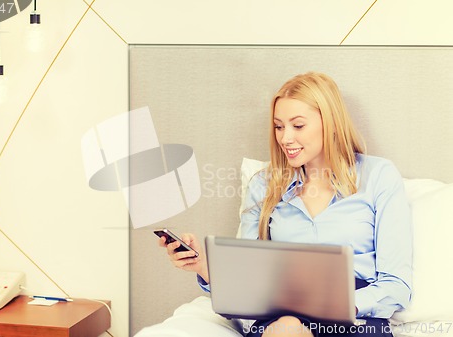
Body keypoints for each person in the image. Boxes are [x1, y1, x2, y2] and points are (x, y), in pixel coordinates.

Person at [158, 72, 412, 337]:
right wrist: (203, 267)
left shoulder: (379, 175)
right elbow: (245, 286)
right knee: (287, 329)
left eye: (298, 126)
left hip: (354, 315)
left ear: (331, 123)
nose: (285, 138)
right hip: (282, 317)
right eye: (279, 126)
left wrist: (343, 308)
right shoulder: (264, 185)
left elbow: (396, 285)